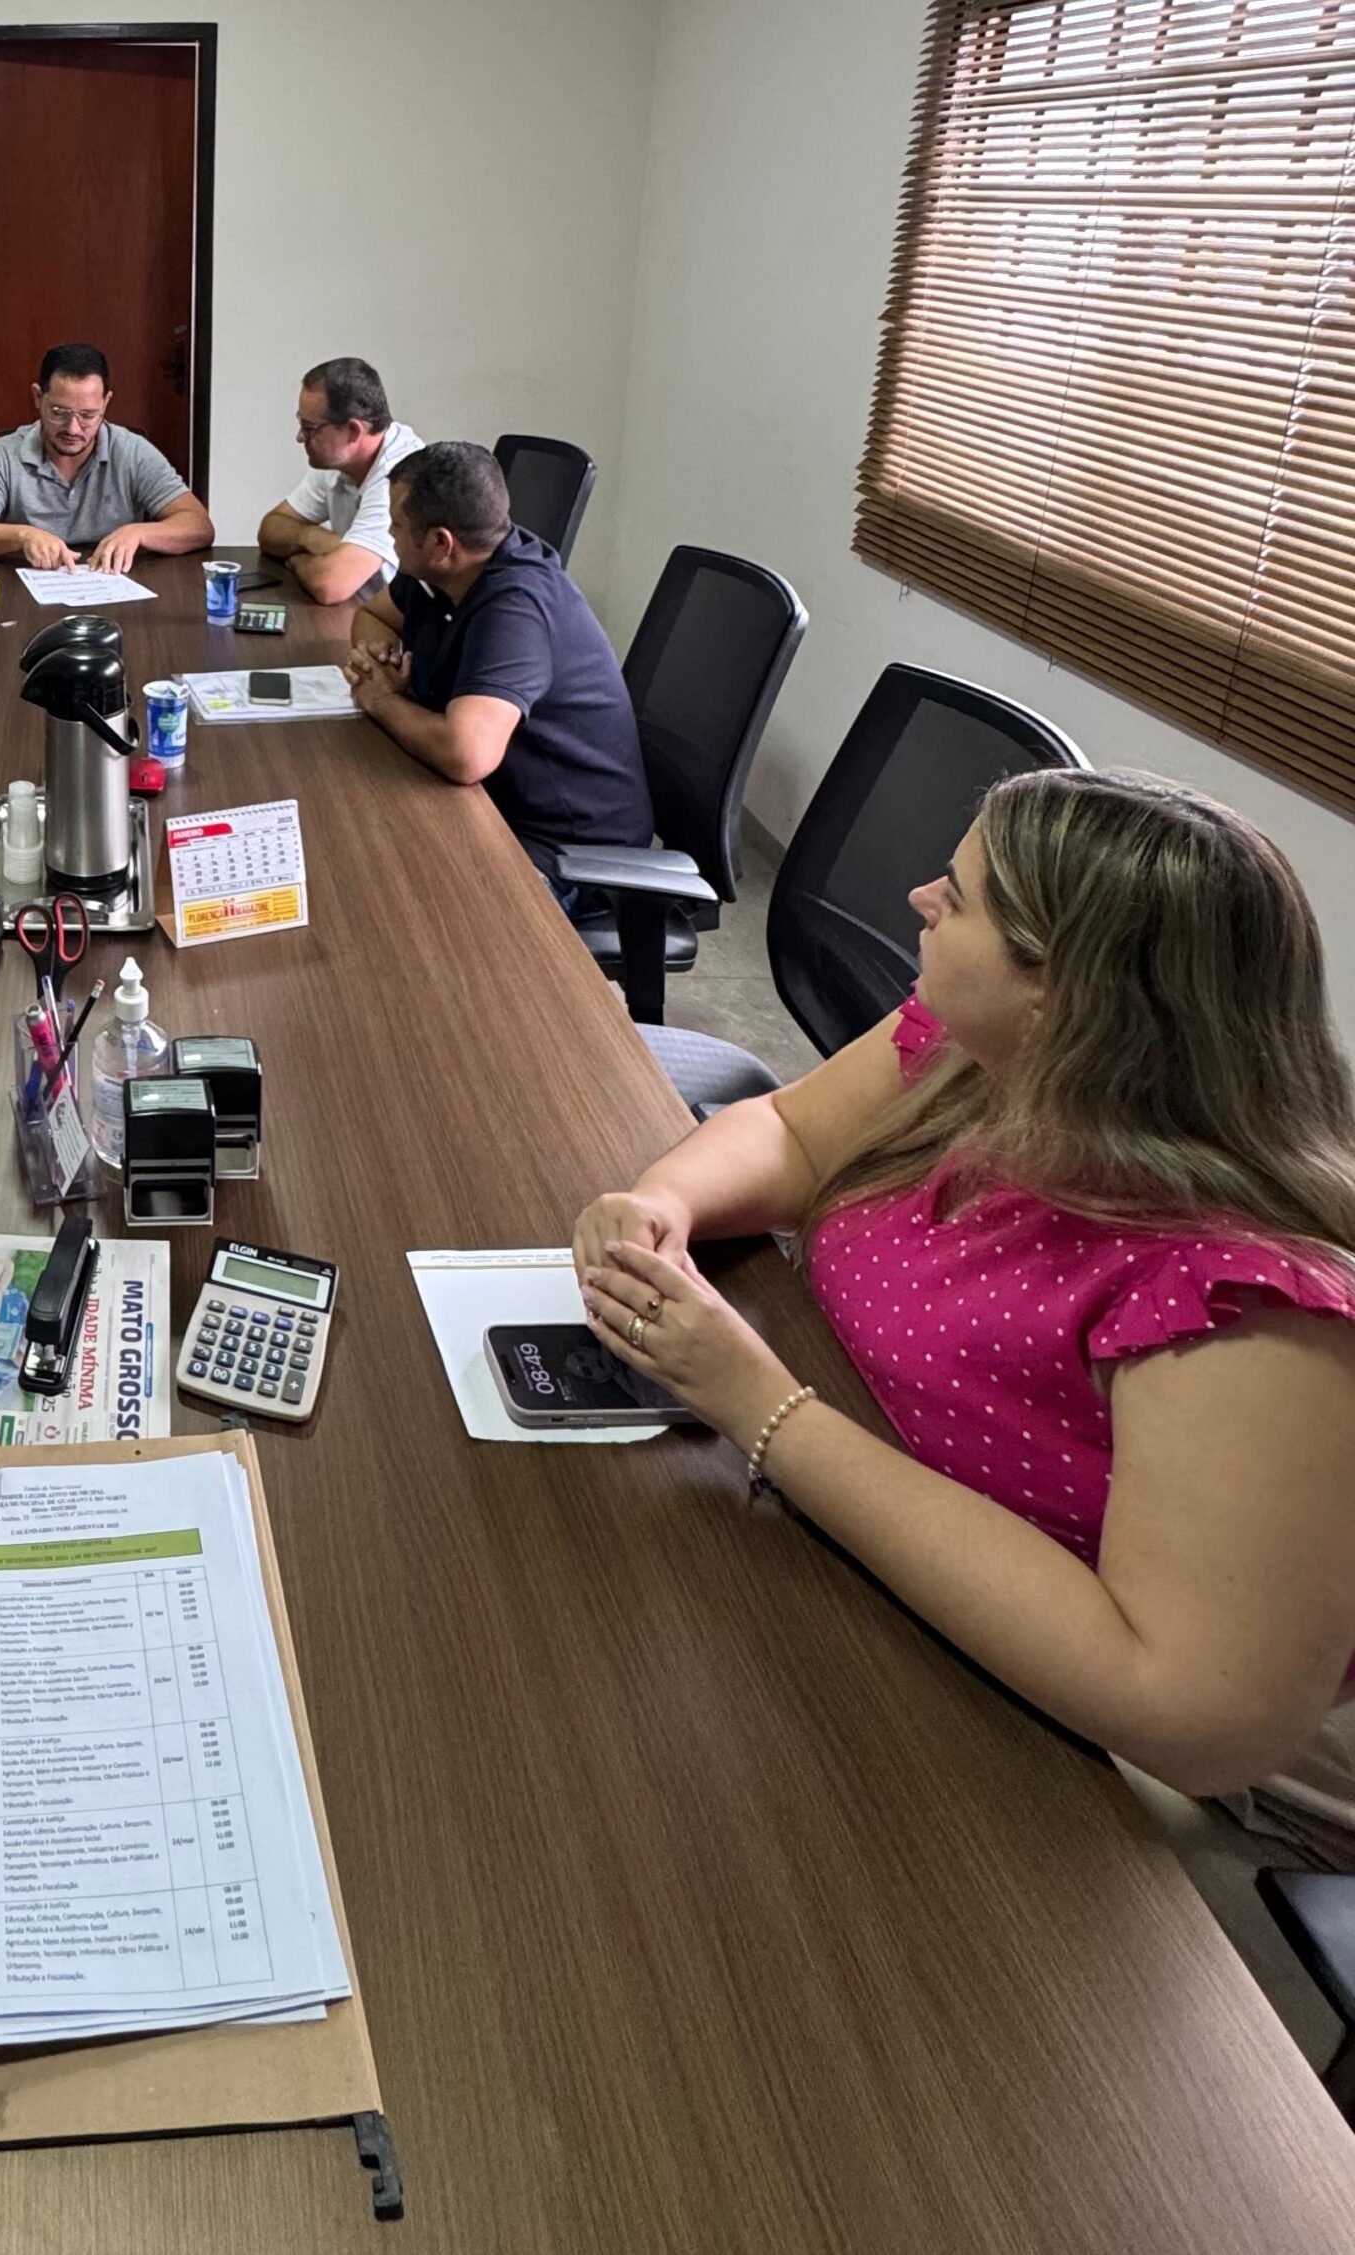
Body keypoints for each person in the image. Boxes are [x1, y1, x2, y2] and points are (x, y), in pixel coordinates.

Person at [570, 769, 1355, 1830]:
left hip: (1114, 1773)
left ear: (1062, 988)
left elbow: (1185, 1711)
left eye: (961, 892)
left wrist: (763, 1407)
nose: (919, 899)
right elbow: (795, 1132)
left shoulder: (1250, 1304)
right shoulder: (980, 1055)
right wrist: (661, 1198)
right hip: (872, 1554)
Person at [342, 441, 651, 913]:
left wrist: (385, 702)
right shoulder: (447, 569)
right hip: (494, 805)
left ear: (442, 543)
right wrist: (379, 658)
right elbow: (373, 615)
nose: (389, 534)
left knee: (401, 910)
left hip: (566, 852)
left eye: (398, 526)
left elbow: (467, 755)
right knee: (358, 853)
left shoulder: (516, 607)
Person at [0, 342, 215, 573]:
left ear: (106, 403)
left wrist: (139, 532)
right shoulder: (3, 453)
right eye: (59, 412)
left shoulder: (133, 451)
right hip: (25, 593)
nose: (73, 429)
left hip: (112, 586)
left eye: (88, 415)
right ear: (38, 397)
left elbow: (198, 525)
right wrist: (21, 535)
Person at [256, 357, 423, 604]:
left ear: (353, 431)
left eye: (310, 427)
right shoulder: (339, 461)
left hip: (394, 629)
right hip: (357, 610)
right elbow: (269, 530)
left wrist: (296, 558)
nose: (300, 437)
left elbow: (330, 584)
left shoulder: (401, 476)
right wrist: (311, 537)